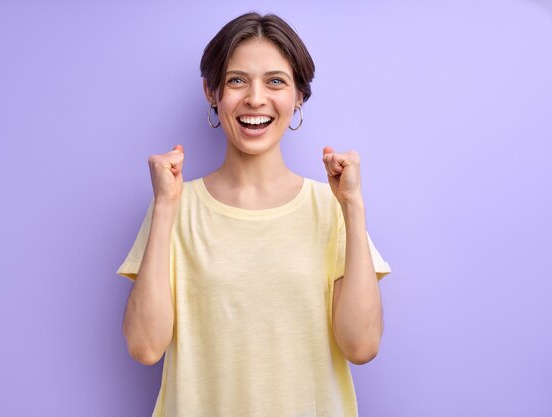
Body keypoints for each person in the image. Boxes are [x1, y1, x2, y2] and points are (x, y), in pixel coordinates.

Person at [117, 12, 391, 417]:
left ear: (299, 95)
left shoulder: (331, 208)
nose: (255, 98)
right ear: (212, 92)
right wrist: (164, 207)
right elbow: (145, 347)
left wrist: (353, 207)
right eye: (236, 80)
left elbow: (362, 346)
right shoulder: (175, 205)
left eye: (276, 81)